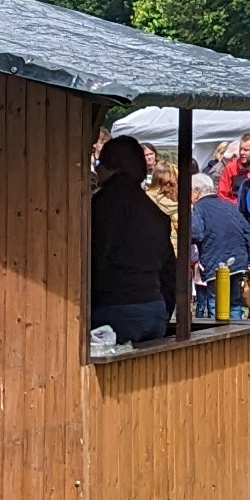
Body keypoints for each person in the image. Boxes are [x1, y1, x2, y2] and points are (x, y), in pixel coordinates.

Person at [84, 136, 176, 346]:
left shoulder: (102, 206)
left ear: (112, 166)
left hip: (114, 306)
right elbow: (170, 269)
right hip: (154, 306)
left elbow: (95, 259)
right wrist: (164, 308)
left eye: (100, 164)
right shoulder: (153, 211)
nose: (97, 170)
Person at [189, 166, 250, 326]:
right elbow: (247, 231)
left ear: (197, 191)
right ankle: (237, 335)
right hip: (238, 261)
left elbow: (196, 234)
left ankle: (220, 333)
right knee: (234, 303)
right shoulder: (229, 206)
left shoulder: (198, 209)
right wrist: (249, 261)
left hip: (214, 263)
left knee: (216, 303)